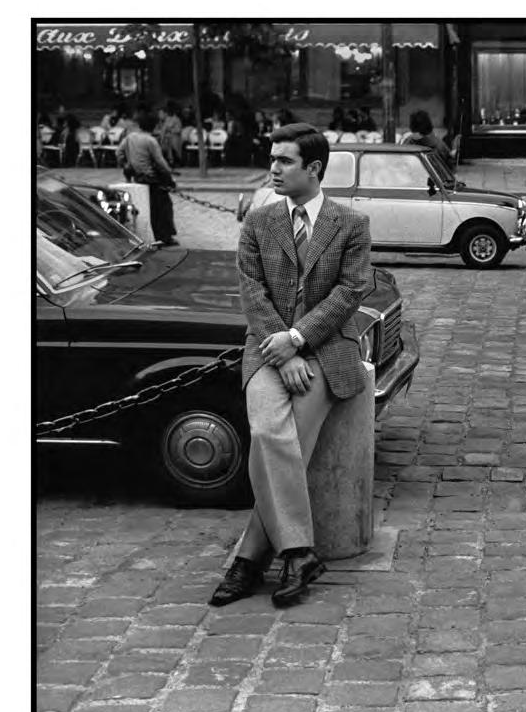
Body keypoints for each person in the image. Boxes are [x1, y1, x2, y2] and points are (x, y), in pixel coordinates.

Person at [209, 122, 374, 609]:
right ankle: (299, 552)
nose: (273, 169)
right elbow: (251, 290)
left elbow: (350, 291)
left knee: (290, 442)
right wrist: (280, 349)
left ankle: (249, 558)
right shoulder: (259, 222)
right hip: (266, 349)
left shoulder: (350, 224)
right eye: (272, 159)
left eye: (285, 160)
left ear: (314, 168)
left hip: (326, 350)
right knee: (267, 433)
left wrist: (298, 339)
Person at [116, 111, 178, 245]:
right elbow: (160, 162)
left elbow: (119, 152)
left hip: (138, 177)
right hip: (152, 178)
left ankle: (156, 234)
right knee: (163, 207)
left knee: (149, 207)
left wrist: (127, 164)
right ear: (154, 126)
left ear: (140, 125)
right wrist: (169, 173)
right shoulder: (150, 140)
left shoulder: (130, 137)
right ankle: (164, 236)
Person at [401, 109, 456, 186]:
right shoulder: (409, 141)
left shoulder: (439, 146)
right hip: (415, 183)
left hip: (431, 184)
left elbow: (450, 171)